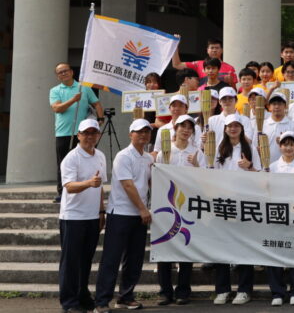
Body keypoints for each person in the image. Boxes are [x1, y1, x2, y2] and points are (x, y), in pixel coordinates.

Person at [94, 119, 153, 312]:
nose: (143, 135)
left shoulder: (148, 158)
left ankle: (126, 297)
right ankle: (101, 301)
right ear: (130, 134)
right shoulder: (123, 156)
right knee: (112, 258)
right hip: (121, 213)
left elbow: (151, 183)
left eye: (146, 131)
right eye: (139, 131)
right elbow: (128, 185)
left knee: (134, 258)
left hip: (139, 215)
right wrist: (143, 209)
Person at [155, 115, 204, 306]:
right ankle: (165, 292)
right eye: (182, 126)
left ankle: (183, 291)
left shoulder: (197, 152)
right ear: (175, 128)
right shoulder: (165, 152)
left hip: (188, 205)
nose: (186, 130)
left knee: (185, 246)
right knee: (165, 247)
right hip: (166, 207)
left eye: (189, 127)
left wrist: (197, 165)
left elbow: (204, 180)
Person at [58, 118, 106, 313]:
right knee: (70, 261)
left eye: (93, 133)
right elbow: (69, 186)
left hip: (92, 216)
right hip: (73, 217)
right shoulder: (71, 157)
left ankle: (82, 296)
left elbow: (100, 186)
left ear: (98, 135)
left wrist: (101, 211)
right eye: (86, 133)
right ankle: (69, 302)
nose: (90, 137)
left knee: (86, 260)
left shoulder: (100, 156)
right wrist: (88, 183)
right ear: (78, 135)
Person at [212, 115, 260, 305]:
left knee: (244, 247)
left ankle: (244, 290)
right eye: (229, 126)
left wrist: (250, 167)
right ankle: (223, 290)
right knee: (221, 247)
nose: (233, 128)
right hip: (223, 203)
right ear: (225, 129)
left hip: (245, 203)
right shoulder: (219, 148)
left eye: (236, 125)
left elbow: (261, 176)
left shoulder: (250, 149)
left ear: (242, 128)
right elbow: (212, 174)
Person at [267, 132, 294, 305]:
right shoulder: (272, 166)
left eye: (292, 144)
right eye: (285, 144)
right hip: (277, 214)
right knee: (275, 252)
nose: (288, 148)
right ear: (280, 147)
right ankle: (277, 292)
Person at [50, 62, 104, 203]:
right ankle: (62, 192)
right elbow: (57, 108)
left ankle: (86, 187)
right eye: (60, 72)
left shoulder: (83, 87)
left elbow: (97, 103)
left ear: (71, 72)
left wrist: (100, 118)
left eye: (65, 70)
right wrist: (73, 100)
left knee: (85, 160)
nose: (64, 73)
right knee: (63, 162)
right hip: (63, 132)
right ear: (57, 76)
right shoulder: (55, 90)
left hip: (83, 134)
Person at [172, 37, 237, 86]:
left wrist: (231, 83)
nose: (214, 50)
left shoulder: (230, 68)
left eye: (217, 48)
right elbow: (177, 64)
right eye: (212, 48)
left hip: (222, 99)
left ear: (222, 50)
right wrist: (175, 46)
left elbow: (234, 92)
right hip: (203, 97)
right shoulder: (198, 64)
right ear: (207, 50)